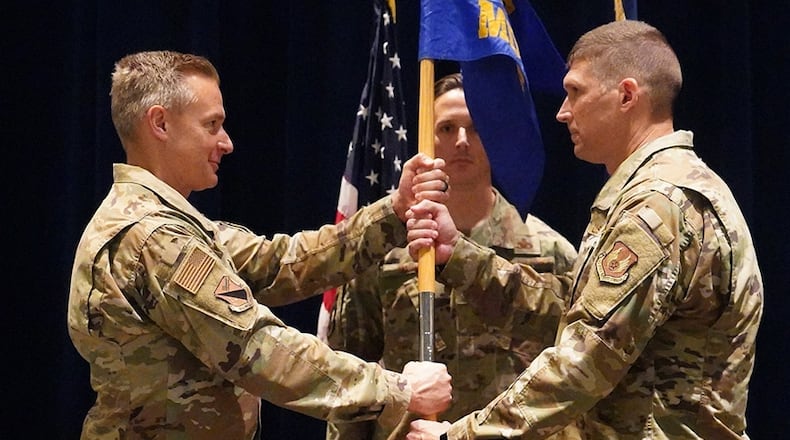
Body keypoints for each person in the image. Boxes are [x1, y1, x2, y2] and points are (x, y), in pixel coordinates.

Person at [67, 50, 454, 440]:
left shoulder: (166, 225)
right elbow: (256, 348)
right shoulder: (155, 238)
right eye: (212, 125)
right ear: (161, 123)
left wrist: (395, 211)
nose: (227, 143)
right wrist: (398, 390)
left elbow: (281, 263)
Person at [405, 20, 763, 439]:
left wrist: (459, 437)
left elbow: (583, 363)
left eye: (575, 91)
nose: (562, 111)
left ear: (627, 95)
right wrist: (459, 256)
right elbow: (579, 314)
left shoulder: (656, 207)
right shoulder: (674, 189)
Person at [324, 73, 578, 440]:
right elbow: (349, 373)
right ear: (426, 139)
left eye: (475, 128)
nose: (461, 141)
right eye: (446, 128)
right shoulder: (389, 253)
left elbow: (576, 376)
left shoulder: (548, 252)